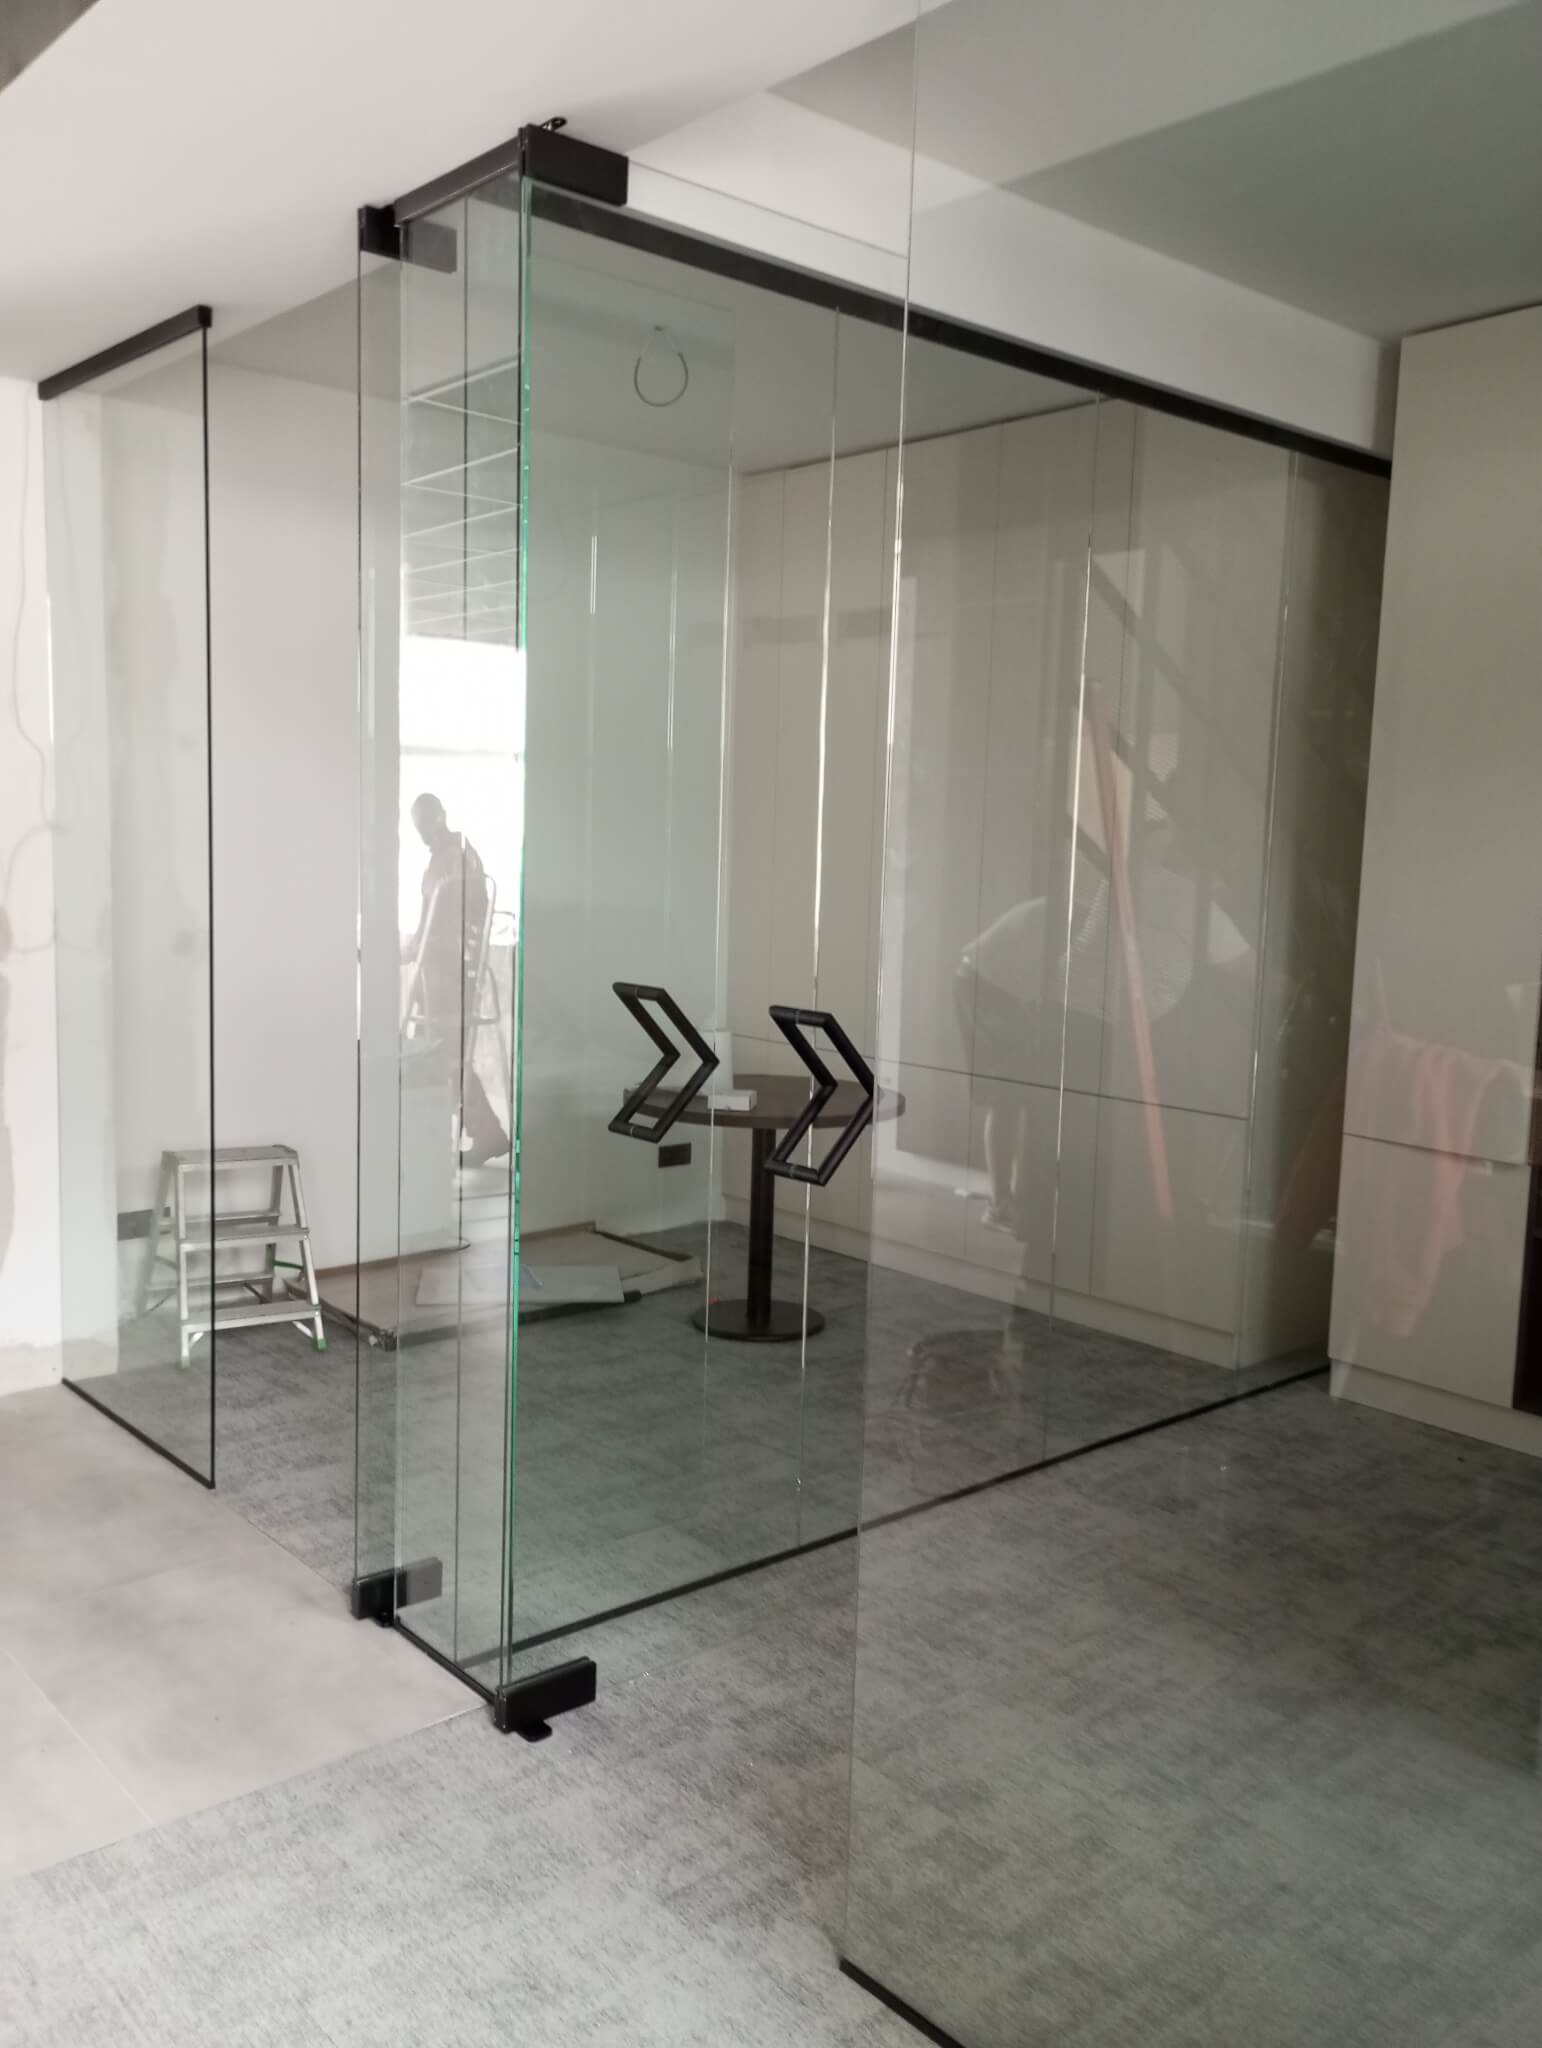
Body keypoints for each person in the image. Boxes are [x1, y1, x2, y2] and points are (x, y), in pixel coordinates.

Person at [404, 793, 510, 1167]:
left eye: (426, 824)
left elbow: (444, 921)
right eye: (418, 828)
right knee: (435, 1054)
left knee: (445, 1055)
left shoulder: (455, 859)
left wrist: (413, 950)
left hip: (450, 972)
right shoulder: (445, 858)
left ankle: (485, 1132)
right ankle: (467, 1132)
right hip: (440, 969)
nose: (422, 834)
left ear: (441, 816)